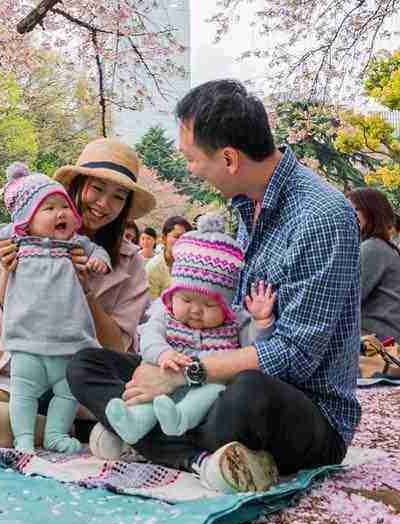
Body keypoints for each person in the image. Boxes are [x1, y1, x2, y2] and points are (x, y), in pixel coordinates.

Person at [68, 80, 361, 494]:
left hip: (297, 406)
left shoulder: (321, 217)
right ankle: (202, 457)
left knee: (246, 394)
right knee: (87, 365)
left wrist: (184, 375)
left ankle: (150, 440)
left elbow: (295, 356)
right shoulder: (247, 209)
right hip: (211, 380)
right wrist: (169, 360)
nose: (190, 169)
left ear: (228, 158)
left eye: (192, 159)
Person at [0, 138, 155, 449]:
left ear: (126, 205)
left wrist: (85, 291)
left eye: (118, 196)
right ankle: (57, 430)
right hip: (21, 368)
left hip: (80, 381)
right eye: (96, 189)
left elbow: (117, 348)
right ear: (77, 187)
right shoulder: (23, 238)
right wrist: (7, 277)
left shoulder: (130, 263)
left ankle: (66, 422)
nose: (103, 204)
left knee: (139, 409)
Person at [0, 167, 111, 453]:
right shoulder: (14, 240)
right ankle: (23, 438)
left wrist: (99, 262)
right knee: (23, 394)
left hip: (69, 345)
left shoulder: (75, 244)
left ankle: (55, 434)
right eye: (48, 208)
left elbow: (97, 252)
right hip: (26, 342)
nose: (60, 213)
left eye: (64, 207)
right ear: (26, 219)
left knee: (67, 393)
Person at [102, 214, 276, 446]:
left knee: (211, 392)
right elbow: (149, 336)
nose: (196, 310)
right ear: (172, 295)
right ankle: (133, 424)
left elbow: (254, 348)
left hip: (207, 385)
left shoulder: (234, 323)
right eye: (186, 299)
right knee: (140, 388)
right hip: (160, 379)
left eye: (209, 305)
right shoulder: (164, 314)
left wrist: (261, 322)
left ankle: (180, 420)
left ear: (225, 306)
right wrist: (163, 354)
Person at [348, 187, 400, 341]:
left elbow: (346, 299)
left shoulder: (373, 248)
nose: (347, 215)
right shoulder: (381, 247)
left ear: (371, 212)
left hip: (375, 342)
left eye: (354, 210)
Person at [146, 215, 190, 300]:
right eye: (177, 237)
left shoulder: (191, 264)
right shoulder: (153, 267)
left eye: (185, 238)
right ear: (164, 238)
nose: (182, 241)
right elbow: (151, 305)